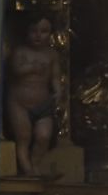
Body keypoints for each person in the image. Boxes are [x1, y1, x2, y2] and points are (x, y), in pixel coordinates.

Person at [5, 15, 64, 177]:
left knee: (44, 136)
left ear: (51, 33)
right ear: (27, 32)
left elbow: (55, 77)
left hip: (43, 103)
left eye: (44, 31)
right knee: (24, 136)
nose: (38, 35)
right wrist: (31, 68)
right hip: (19, 103)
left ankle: (35, 162)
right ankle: (27, 169)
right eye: (34, 31)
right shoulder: (20, 51)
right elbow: (16, 70)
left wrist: (58, 90)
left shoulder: (52, 55)